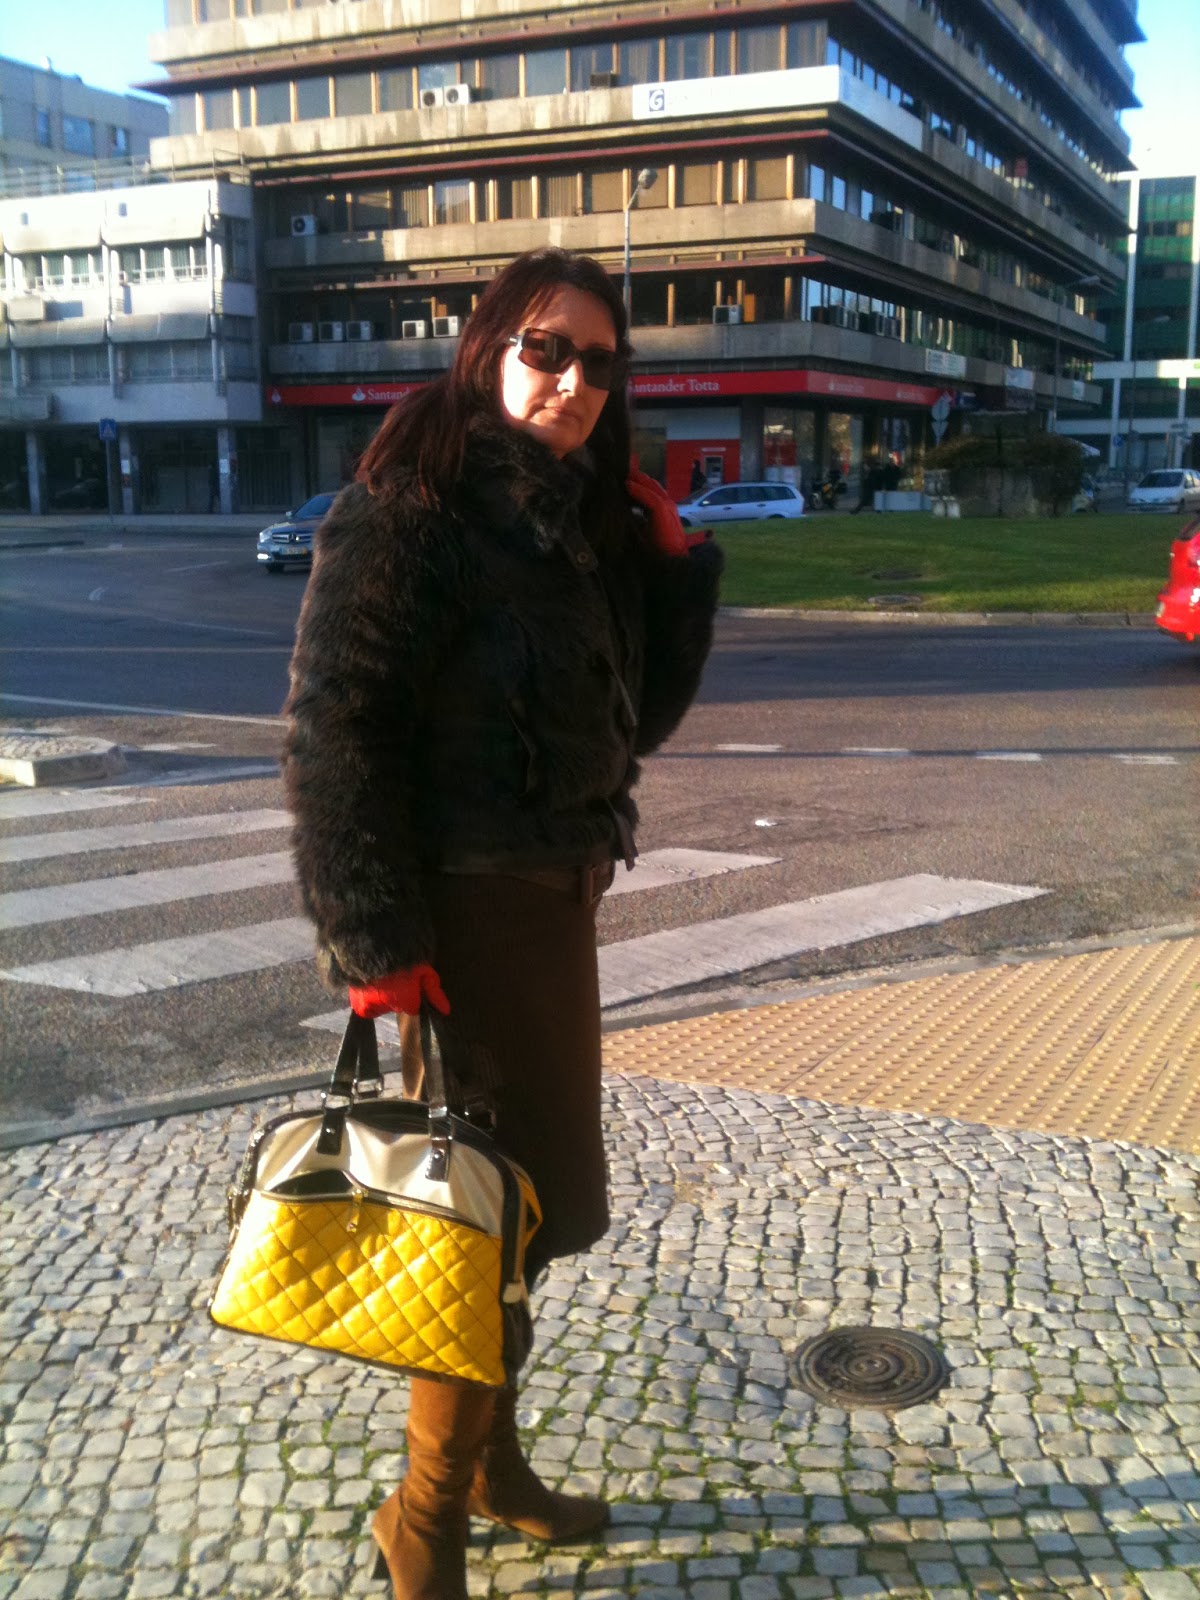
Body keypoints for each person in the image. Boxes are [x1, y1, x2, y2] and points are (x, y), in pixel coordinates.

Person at [282, 246, 723, 1600]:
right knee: (473, 1226)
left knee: (516, 1219)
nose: (573, 380)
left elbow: (632, 725)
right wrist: (374, 939)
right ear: (489, 351)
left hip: (554, 907)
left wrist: (669, 569)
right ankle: (424, 1515)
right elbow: (336, 727)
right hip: (459, 923)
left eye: (599, 361)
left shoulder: (578, 521)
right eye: (547, 349)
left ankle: (489, 1468)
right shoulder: (414, 505)